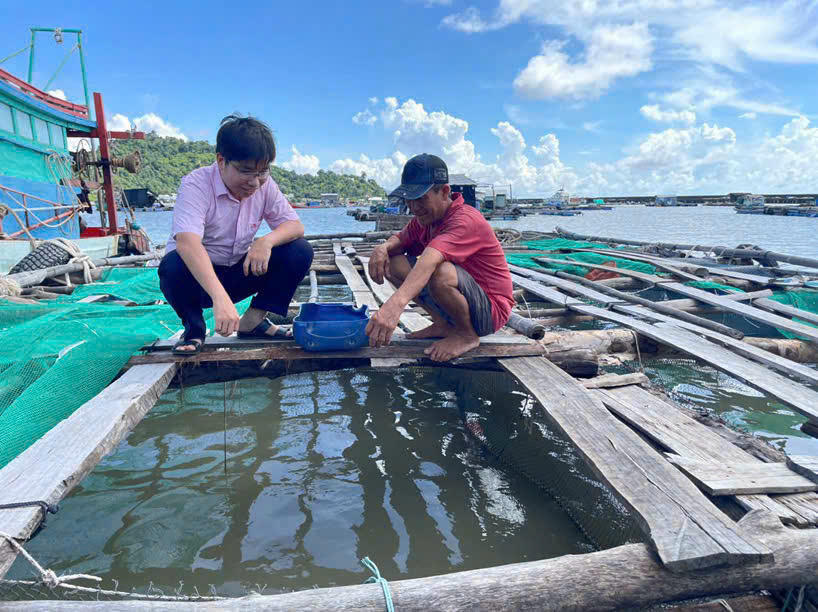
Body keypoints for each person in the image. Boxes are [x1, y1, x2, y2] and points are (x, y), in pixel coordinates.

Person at [159, 114, 313, 355]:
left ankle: (253, 321)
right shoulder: (196, 185)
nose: (255, 182)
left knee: (300, 250)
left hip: (238, 272)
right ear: (221, 161)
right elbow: (188, 244)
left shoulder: (265, 184)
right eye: (246, 172)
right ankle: (194, 330)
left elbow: (295, 226)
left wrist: (265, 241)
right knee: (173, 264)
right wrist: (220, 299)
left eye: (262, 171)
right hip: (197, 281)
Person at [366, 154, 514, 362]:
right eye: (409, 199)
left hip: (491, 311)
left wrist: (394, 306)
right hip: (462, 303)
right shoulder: (425, 219)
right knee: (395, 260)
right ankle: (443, 324)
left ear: (444, 192)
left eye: (421, 199)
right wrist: (382, 247)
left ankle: (466, 335)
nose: (414, 207)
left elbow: (431, 259)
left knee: (440, 271)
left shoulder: (465, 219)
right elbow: (400, 239)